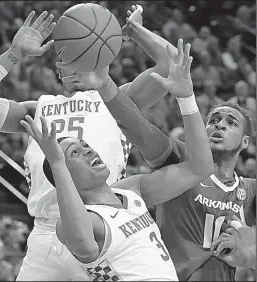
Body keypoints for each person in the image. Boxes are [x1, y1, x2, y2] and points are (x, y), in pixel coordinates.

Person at [0, 5, 185, 280]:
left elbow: (173, 67)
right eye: (70, 58)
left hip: (100, 227)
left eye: (85, 55)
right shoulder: (36, 108)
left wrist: (137, 32)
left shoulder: (118, 101)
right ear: (59, 70)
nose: (78, 63)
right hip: (45, 235)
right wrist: (13, 55)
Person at [19, 40, 213, 281]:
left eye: (85, 145)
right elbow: (83, 246)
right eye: (75, 153)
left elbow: (200, 168)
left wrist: (187, 98)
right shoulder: (83, 225)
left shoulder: (133, 193)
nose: (88, 151)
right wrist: (56, 162)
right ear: (64, 176)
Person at [91, 11, 256, 281]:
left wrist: (251, 256)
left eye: (231, 122)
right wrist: (105, 83)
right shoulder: (181, 157)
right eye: (213, 119)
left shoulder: (250, 191)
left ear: (245, 142)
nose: (219, 125)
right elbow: (137, 127)